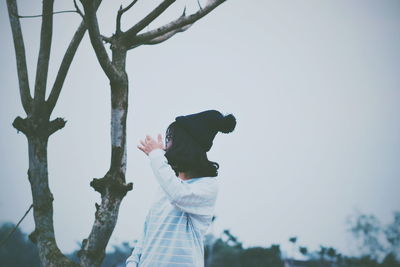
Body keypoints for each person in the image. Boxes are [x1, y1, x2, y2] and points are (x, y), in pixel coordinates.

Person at [125, 110, 236, 267]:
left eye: (170, 139)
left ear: (184, 144)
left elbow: (179, 196)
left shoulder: (207, 186)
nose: (166, 145)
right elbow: (146, 232)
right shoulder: (166, 187)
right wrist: (132, 262)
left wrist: (156, 156)